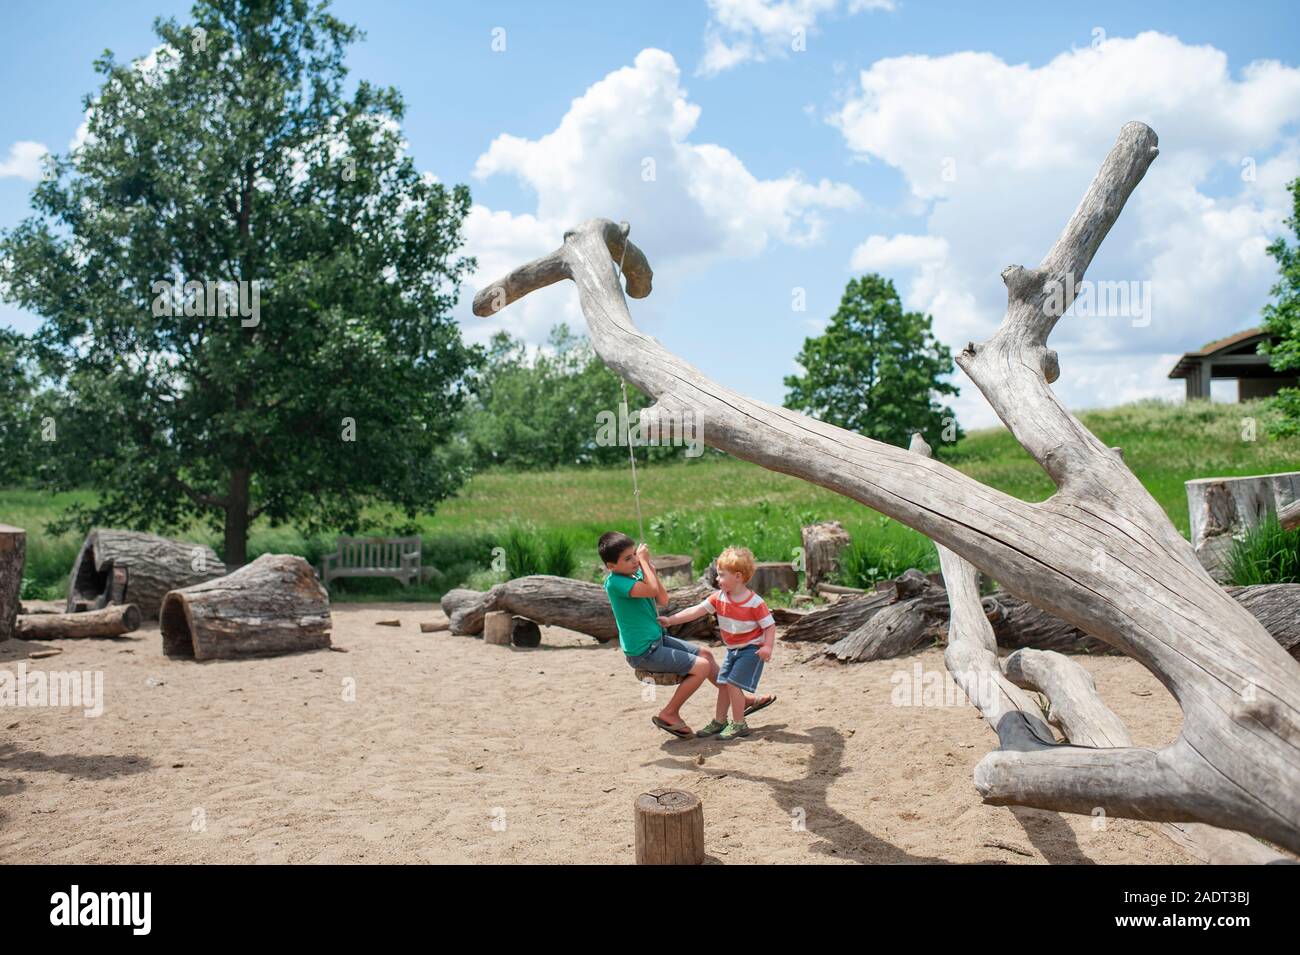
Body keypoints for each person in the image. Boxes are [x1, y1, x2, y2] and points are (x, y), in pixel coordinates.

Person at [657, 546, 776, 741]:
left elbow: (769, 626)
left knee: (732, 684)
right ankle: (720, 721)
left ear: (738, 577)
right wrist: (671, 620)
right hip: (732, 650)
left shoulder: (755, 602)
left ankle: (739, 724)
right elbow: (696, 611)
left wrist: (767, 646)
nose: (717, 579)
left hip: (751, 650)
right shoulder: (719, 598)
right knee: (722, 684)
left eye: (721, 575)